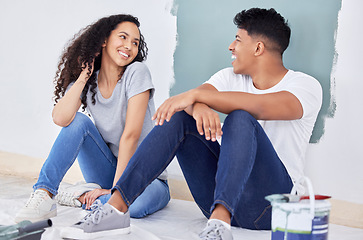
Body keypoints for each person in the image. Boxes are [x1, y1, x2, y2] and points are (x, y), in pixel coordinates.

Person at [61, 8, 322, 240]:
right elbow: (189, 101)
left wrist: (197, 98)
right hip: (215, 195)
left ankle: (221, 224)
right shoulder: (228, 77)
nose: (231, 46)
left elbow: (263, 106)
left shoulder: (305, 86)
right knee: (180, 118)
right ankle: (115, 209)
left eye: (238, 40)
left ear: (258, 48)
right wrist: (197, 105)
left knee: (241, 117)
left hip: (269, 207)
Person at [15, 14, 170, 224]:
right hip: (108, 169)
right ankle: (45, 194)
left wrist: (118, 193)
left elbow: (131, 136)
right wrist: (83, 76)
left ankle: (80, 198)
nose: (129, 46)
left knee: (136, 206)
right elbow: (61, 118)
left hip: (148, 178)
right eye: (123, 37)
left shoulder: (137, 72)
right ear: (104, 40)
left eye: (135, 42)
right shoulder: (90, 80)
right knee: (78, 122)